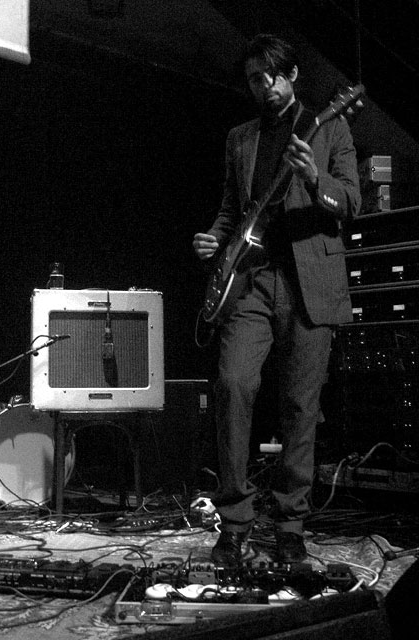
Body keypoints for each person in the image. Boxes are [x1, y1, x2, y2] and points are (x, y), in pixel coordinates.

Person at [193, 34, 361, 565]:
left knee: (299, 407)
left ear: (291, 76)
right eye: (253, 79)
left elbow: (350, 201)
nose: (263, 86)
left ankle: (290, 525)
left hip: (310, 285)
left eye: (271, 76)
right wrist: (214, 238)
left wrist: (314, 178)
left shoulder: (329, 127)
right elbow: (232, 209)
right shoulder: (240, 138)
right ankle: (234, 522)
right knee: (232, 385)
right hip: (251, 282)